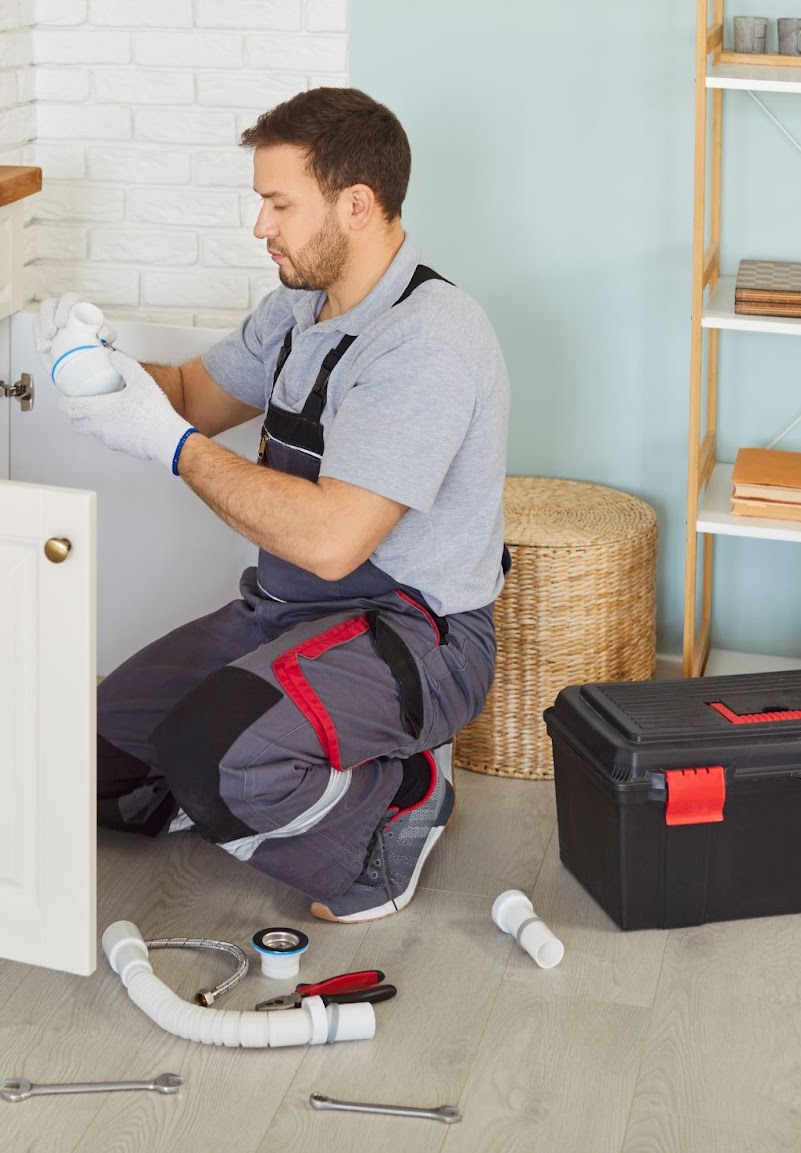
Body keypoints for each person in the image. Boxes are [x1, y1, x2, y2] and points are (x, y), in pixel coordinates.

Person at [32, 87, 509, 923]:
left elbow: (332, 541)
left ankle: (397, 806)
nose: (262, 227)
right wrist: (103, 366)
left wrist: (171, 447)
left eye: (279, 203)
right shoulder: (297, 307)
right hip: (287, 612)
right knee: (84, 760)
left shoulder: (428, 341)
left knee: (213, 758)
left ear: (356, 205)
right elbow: (190, 395)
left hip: (413, 632)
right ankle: (239, 774)